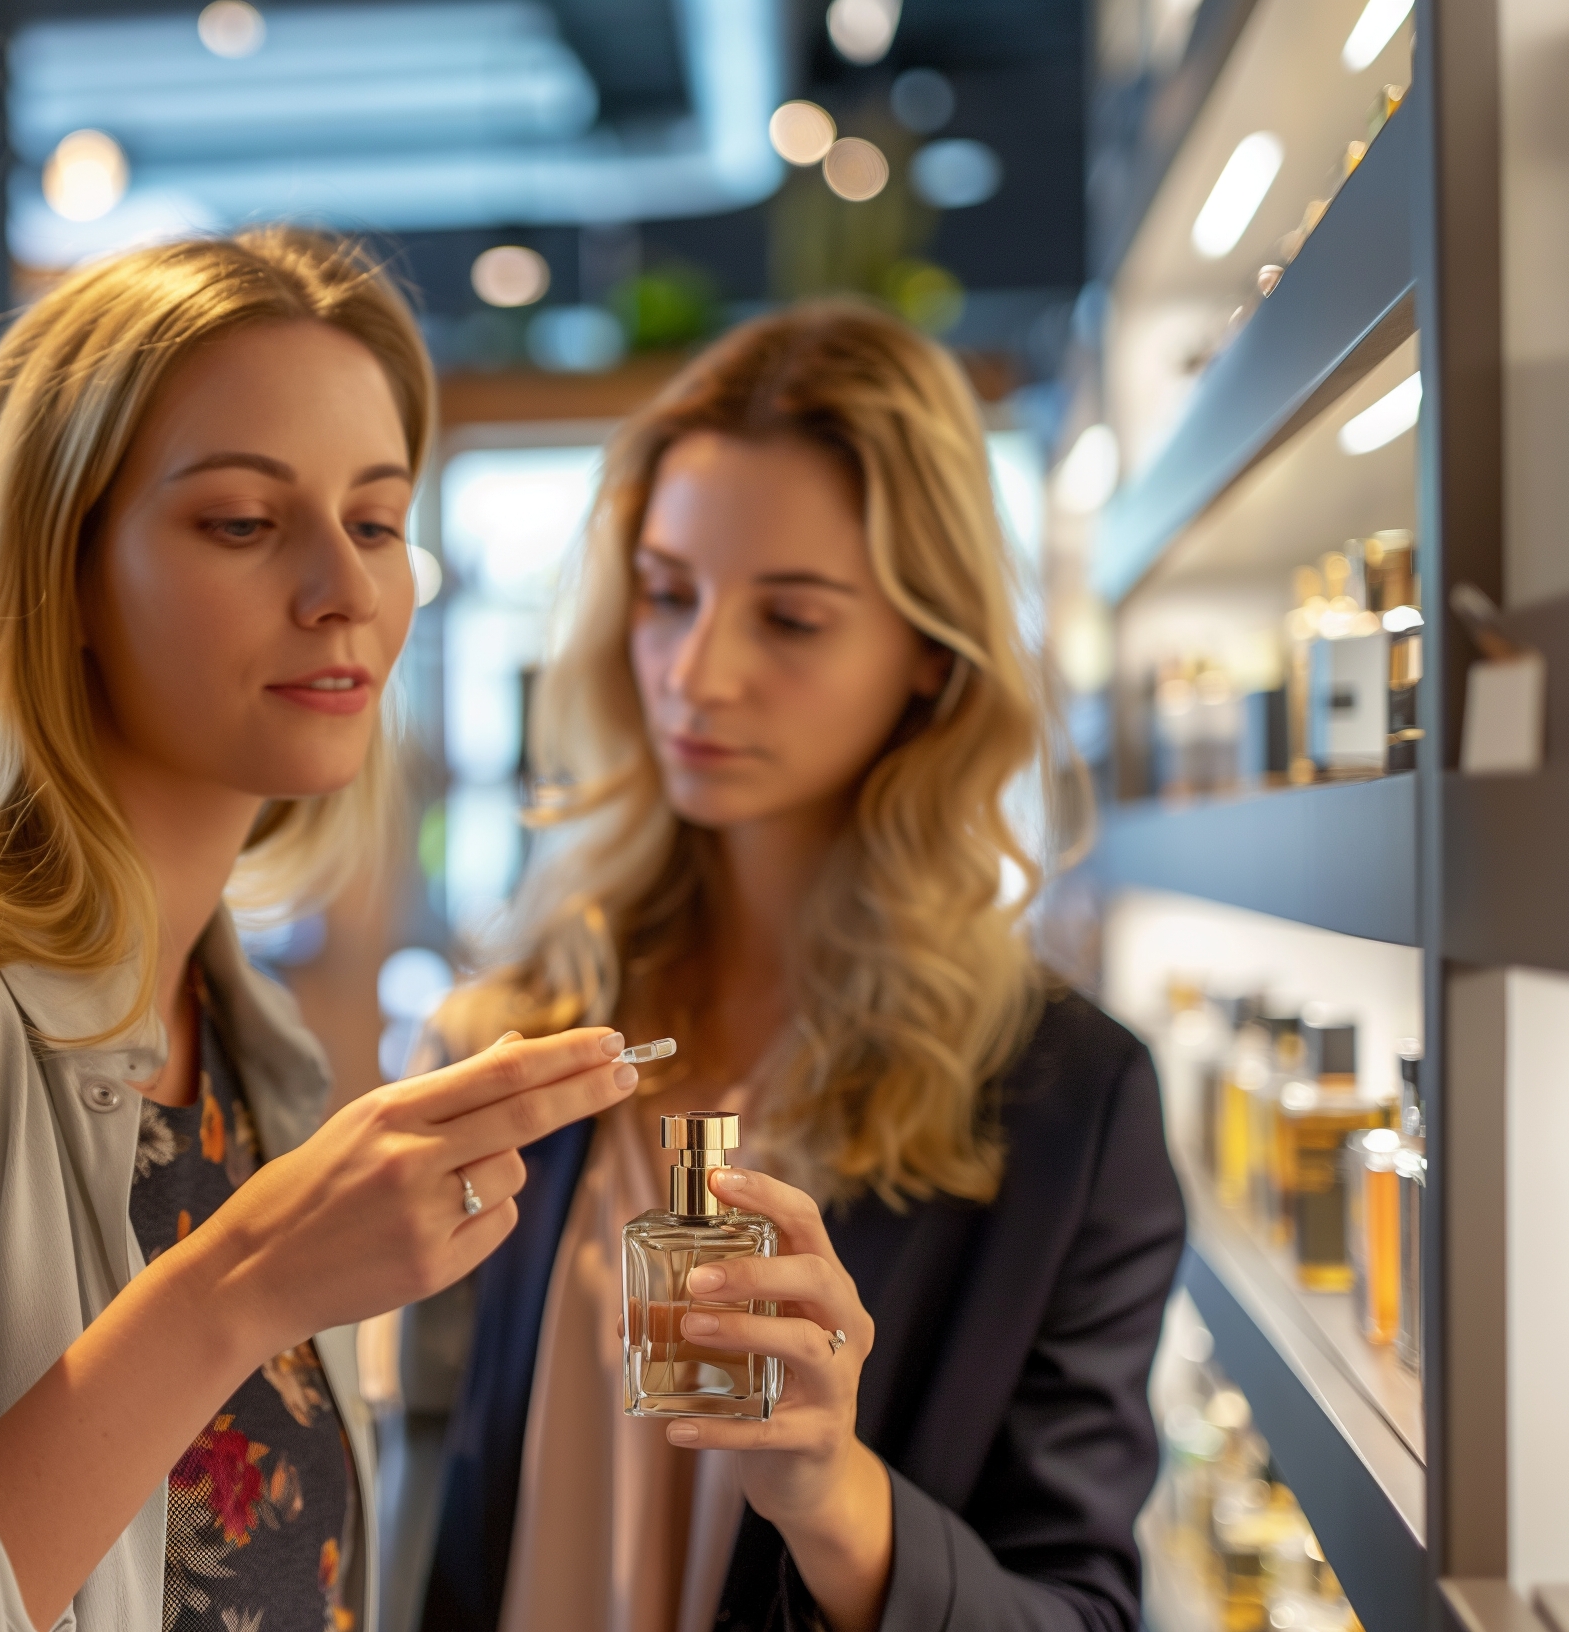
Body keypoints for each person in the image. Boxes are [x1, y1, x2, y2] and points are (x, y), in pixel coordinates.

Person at [0, 226, 640, 1632]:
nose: (345, 591)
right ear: (60, 570)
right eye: (244, 523)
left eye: (379, 522)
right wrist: (235, 1292)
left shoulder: (252, 1056)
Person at [417, 303, 1187, 1632]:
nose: (694, 674)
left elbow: (1081, 1610)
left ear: (930, 663)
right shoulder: (530, 1022)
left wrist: (832, 1491)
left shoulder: (1066, 1105)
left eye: (790, 618)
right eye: (667, 597)